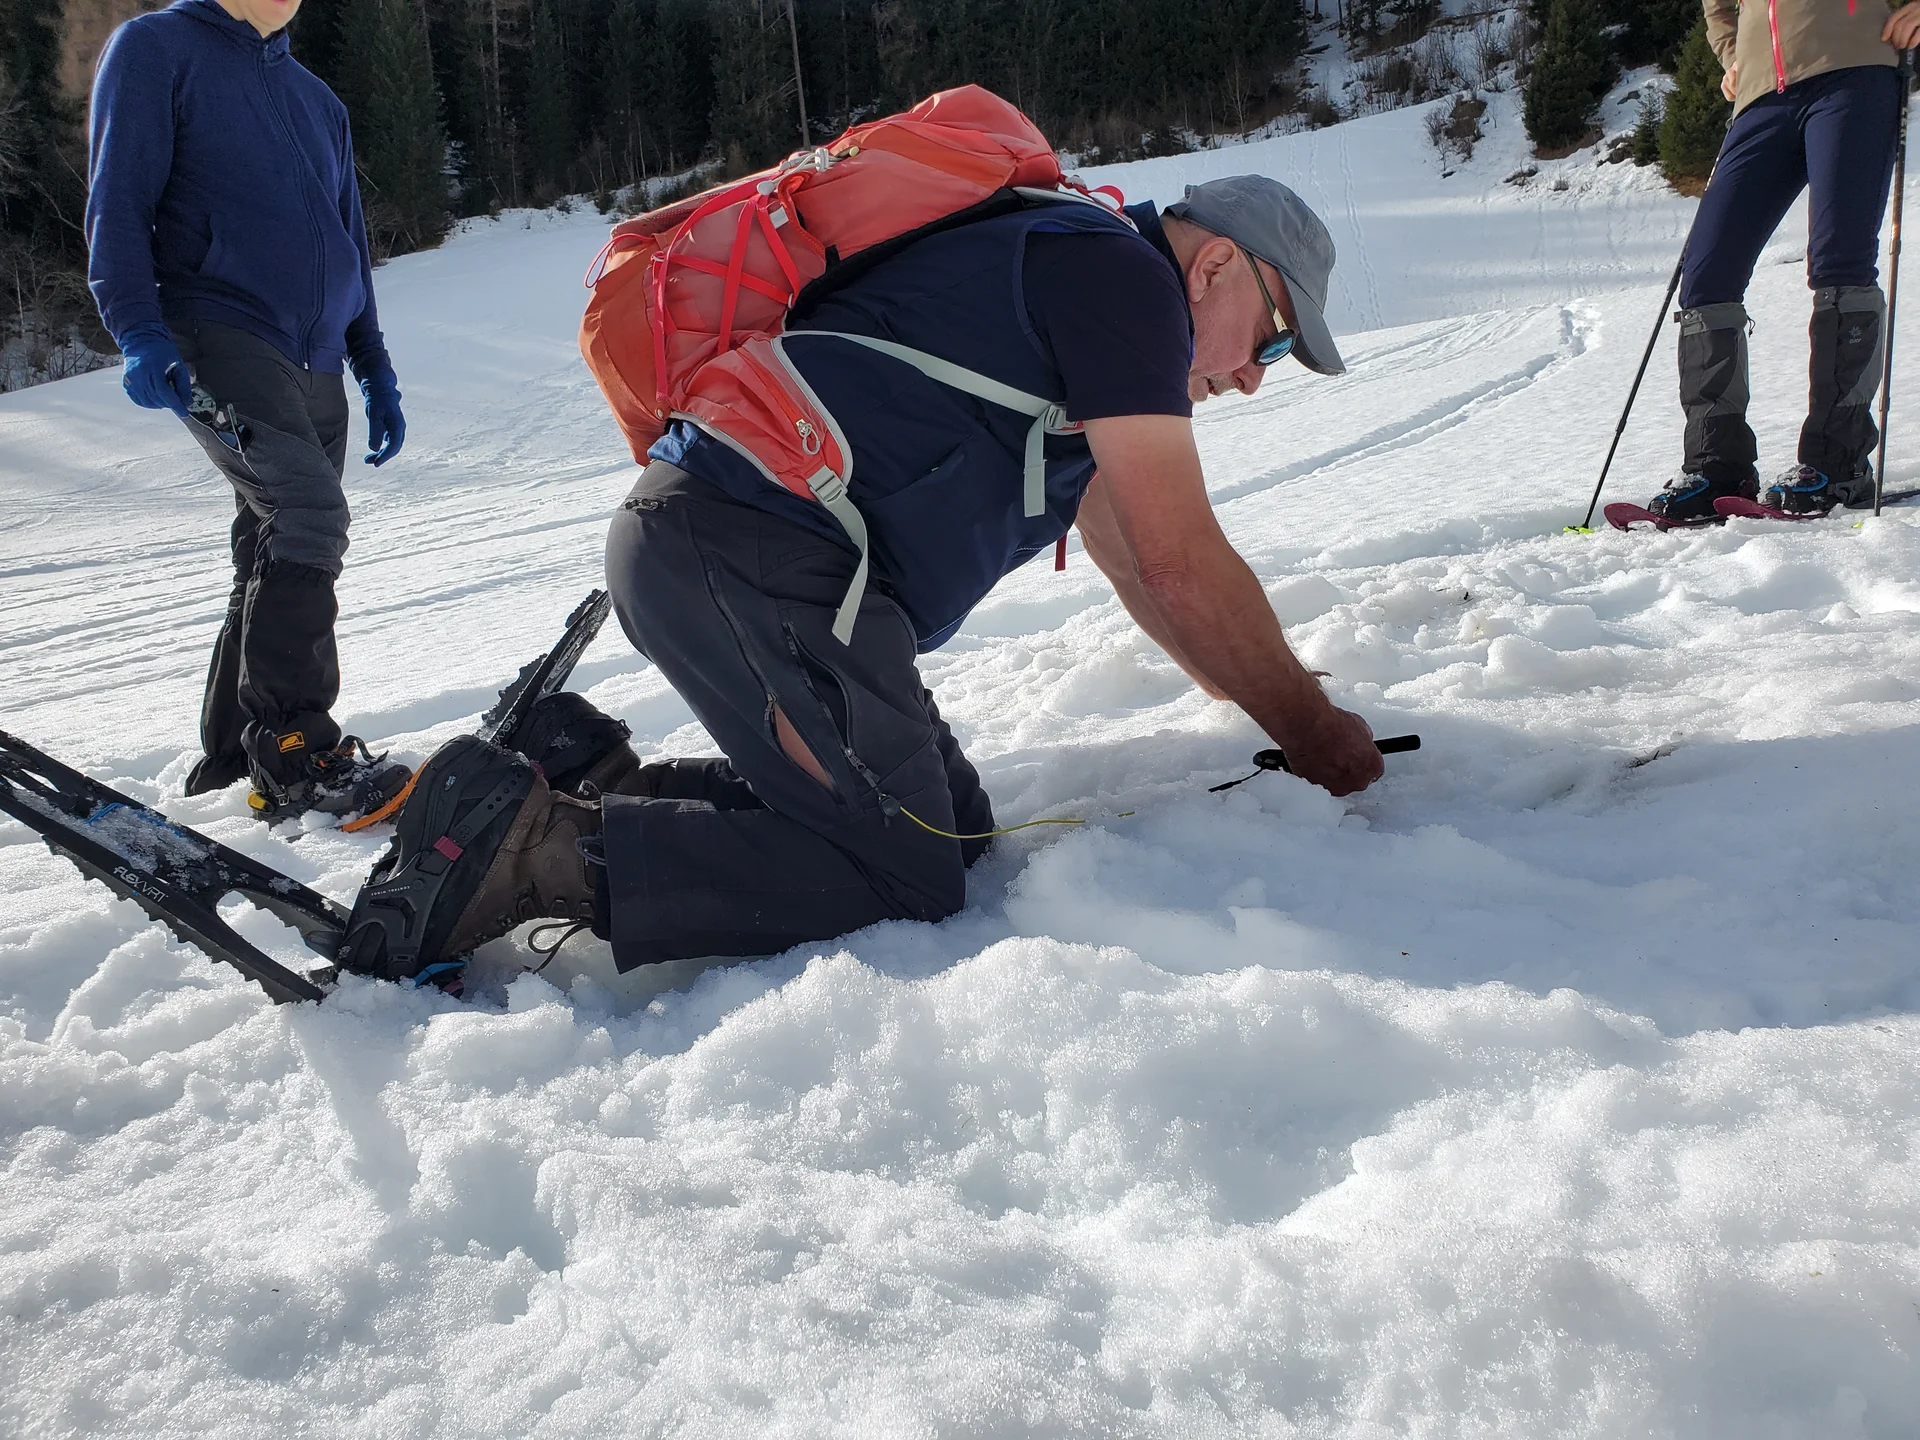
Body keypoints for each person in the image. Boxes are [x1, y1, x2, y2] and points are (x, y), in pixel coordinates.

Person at [347, 175, 1383, 983]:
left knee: (954, 834)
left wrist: (1256, 697)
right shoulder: (1119, 285)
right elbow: (1183, 556)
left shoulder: (1095, 300)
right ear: (1214, 270)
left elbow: (1148, 572)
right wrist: (1310, 729)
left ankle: (594, 784)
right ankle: (527, 853)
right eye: (1277, 335)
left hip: (758, 559)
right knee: (903, 870)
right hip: (748, 547)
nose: (1256, 372)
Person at [85, 0, 410, 819]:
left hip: (318, 360)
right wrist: (138, 330)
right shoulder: (156, 48)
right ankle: (298, 753)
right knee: (306, 516)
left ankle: (232, 764)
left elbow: (349, 243)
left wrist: (373, 365)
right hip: (219, 331)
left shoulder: (316, 99)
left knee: (268, 543)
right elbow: (117, 199)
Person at [1642, 0, 1918, 523]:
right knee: (1707, 273)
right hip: (1761, 98)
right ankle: (1717, 466)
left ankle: (1838, 465)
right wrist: (1732, 53)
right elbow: (1719, 8)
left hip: (1854, 69)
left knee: (1840, 262)